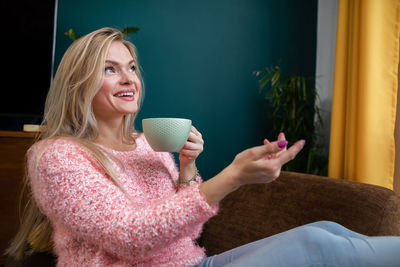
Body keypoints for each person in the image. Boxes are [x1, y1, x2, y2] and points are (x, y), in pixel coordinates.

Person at [4, 27, 400, 267]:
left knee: (324, 231)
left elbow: (186, 228)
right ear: (79, 84)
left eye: (131, 67)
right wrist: (231, 177)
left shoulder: (148, 143)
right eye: (109, 69)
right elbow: (129, 236)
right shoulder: (57, 156)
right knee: (317, 247)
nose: (129, 78)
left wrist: (188, 170)